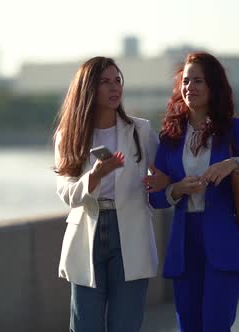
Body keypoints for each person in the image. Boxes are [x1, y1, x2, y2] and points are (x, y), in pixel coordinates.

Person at [146, 52, 239, 332]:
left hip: (225, 241)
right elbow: (154, 197)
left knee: (216, 326)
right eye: (186, 81)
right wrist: (176, 190)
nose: (190, 87)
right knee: (188, 327)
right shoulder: (169, 138)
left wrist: (234, 164)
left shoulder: (237, 129)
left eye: (198, 81)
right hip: (184, 243)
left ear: (214, 86)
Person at [53, 56, 166, 332]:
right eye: (105, 82)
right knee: (85, 325)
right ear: (88, 88)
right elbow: (67, 193)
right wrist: (95, 175)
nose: (114, 87)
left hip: (130, 232)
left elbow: (167, 174)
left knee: (126, 325)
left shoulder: (140, 130)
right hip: (87, 236)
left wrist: (164, 181)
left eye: (117, 80)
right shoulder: (69, 135)